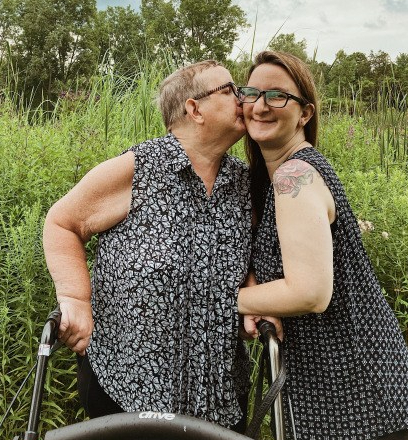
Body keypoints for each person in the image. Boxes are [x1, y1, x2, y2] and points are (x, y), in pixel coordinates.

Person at [43, 59, 253, 432]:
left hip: (218, 393)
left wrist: (254, 287)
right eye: (229, 91)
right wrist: (75, 297)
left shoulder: (244, 184)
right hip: (126, 388)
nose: (244, 99)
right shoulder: (139, 168)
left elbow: (253, 253)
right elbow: (62, 222)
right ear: (194, 108)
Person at [237, 50, 408, 440]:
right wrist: (253, 289)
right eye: (251, 93)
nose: (260, 106)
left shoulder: (294, 175)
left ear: (305, 113)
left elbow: (311, 293)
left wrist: (228, 301)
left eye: (277, 96)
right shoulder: (274, 178)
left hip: (357, 390)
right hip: (335, 384)